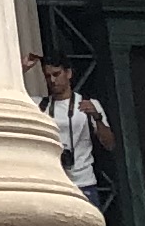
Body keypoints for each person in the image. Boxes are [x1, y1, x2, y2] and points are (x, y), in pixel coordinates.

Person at [44, 58, 117, 211]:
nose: (52, 80)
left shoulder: (88, 104)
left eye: (56, 74)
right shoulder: (40, 105)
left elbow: (109, 143)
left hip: (84, 181)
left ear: (68, 73)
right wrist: (22, 69)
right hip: (53, 182)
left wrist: (96, 117)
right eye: (47, 76)